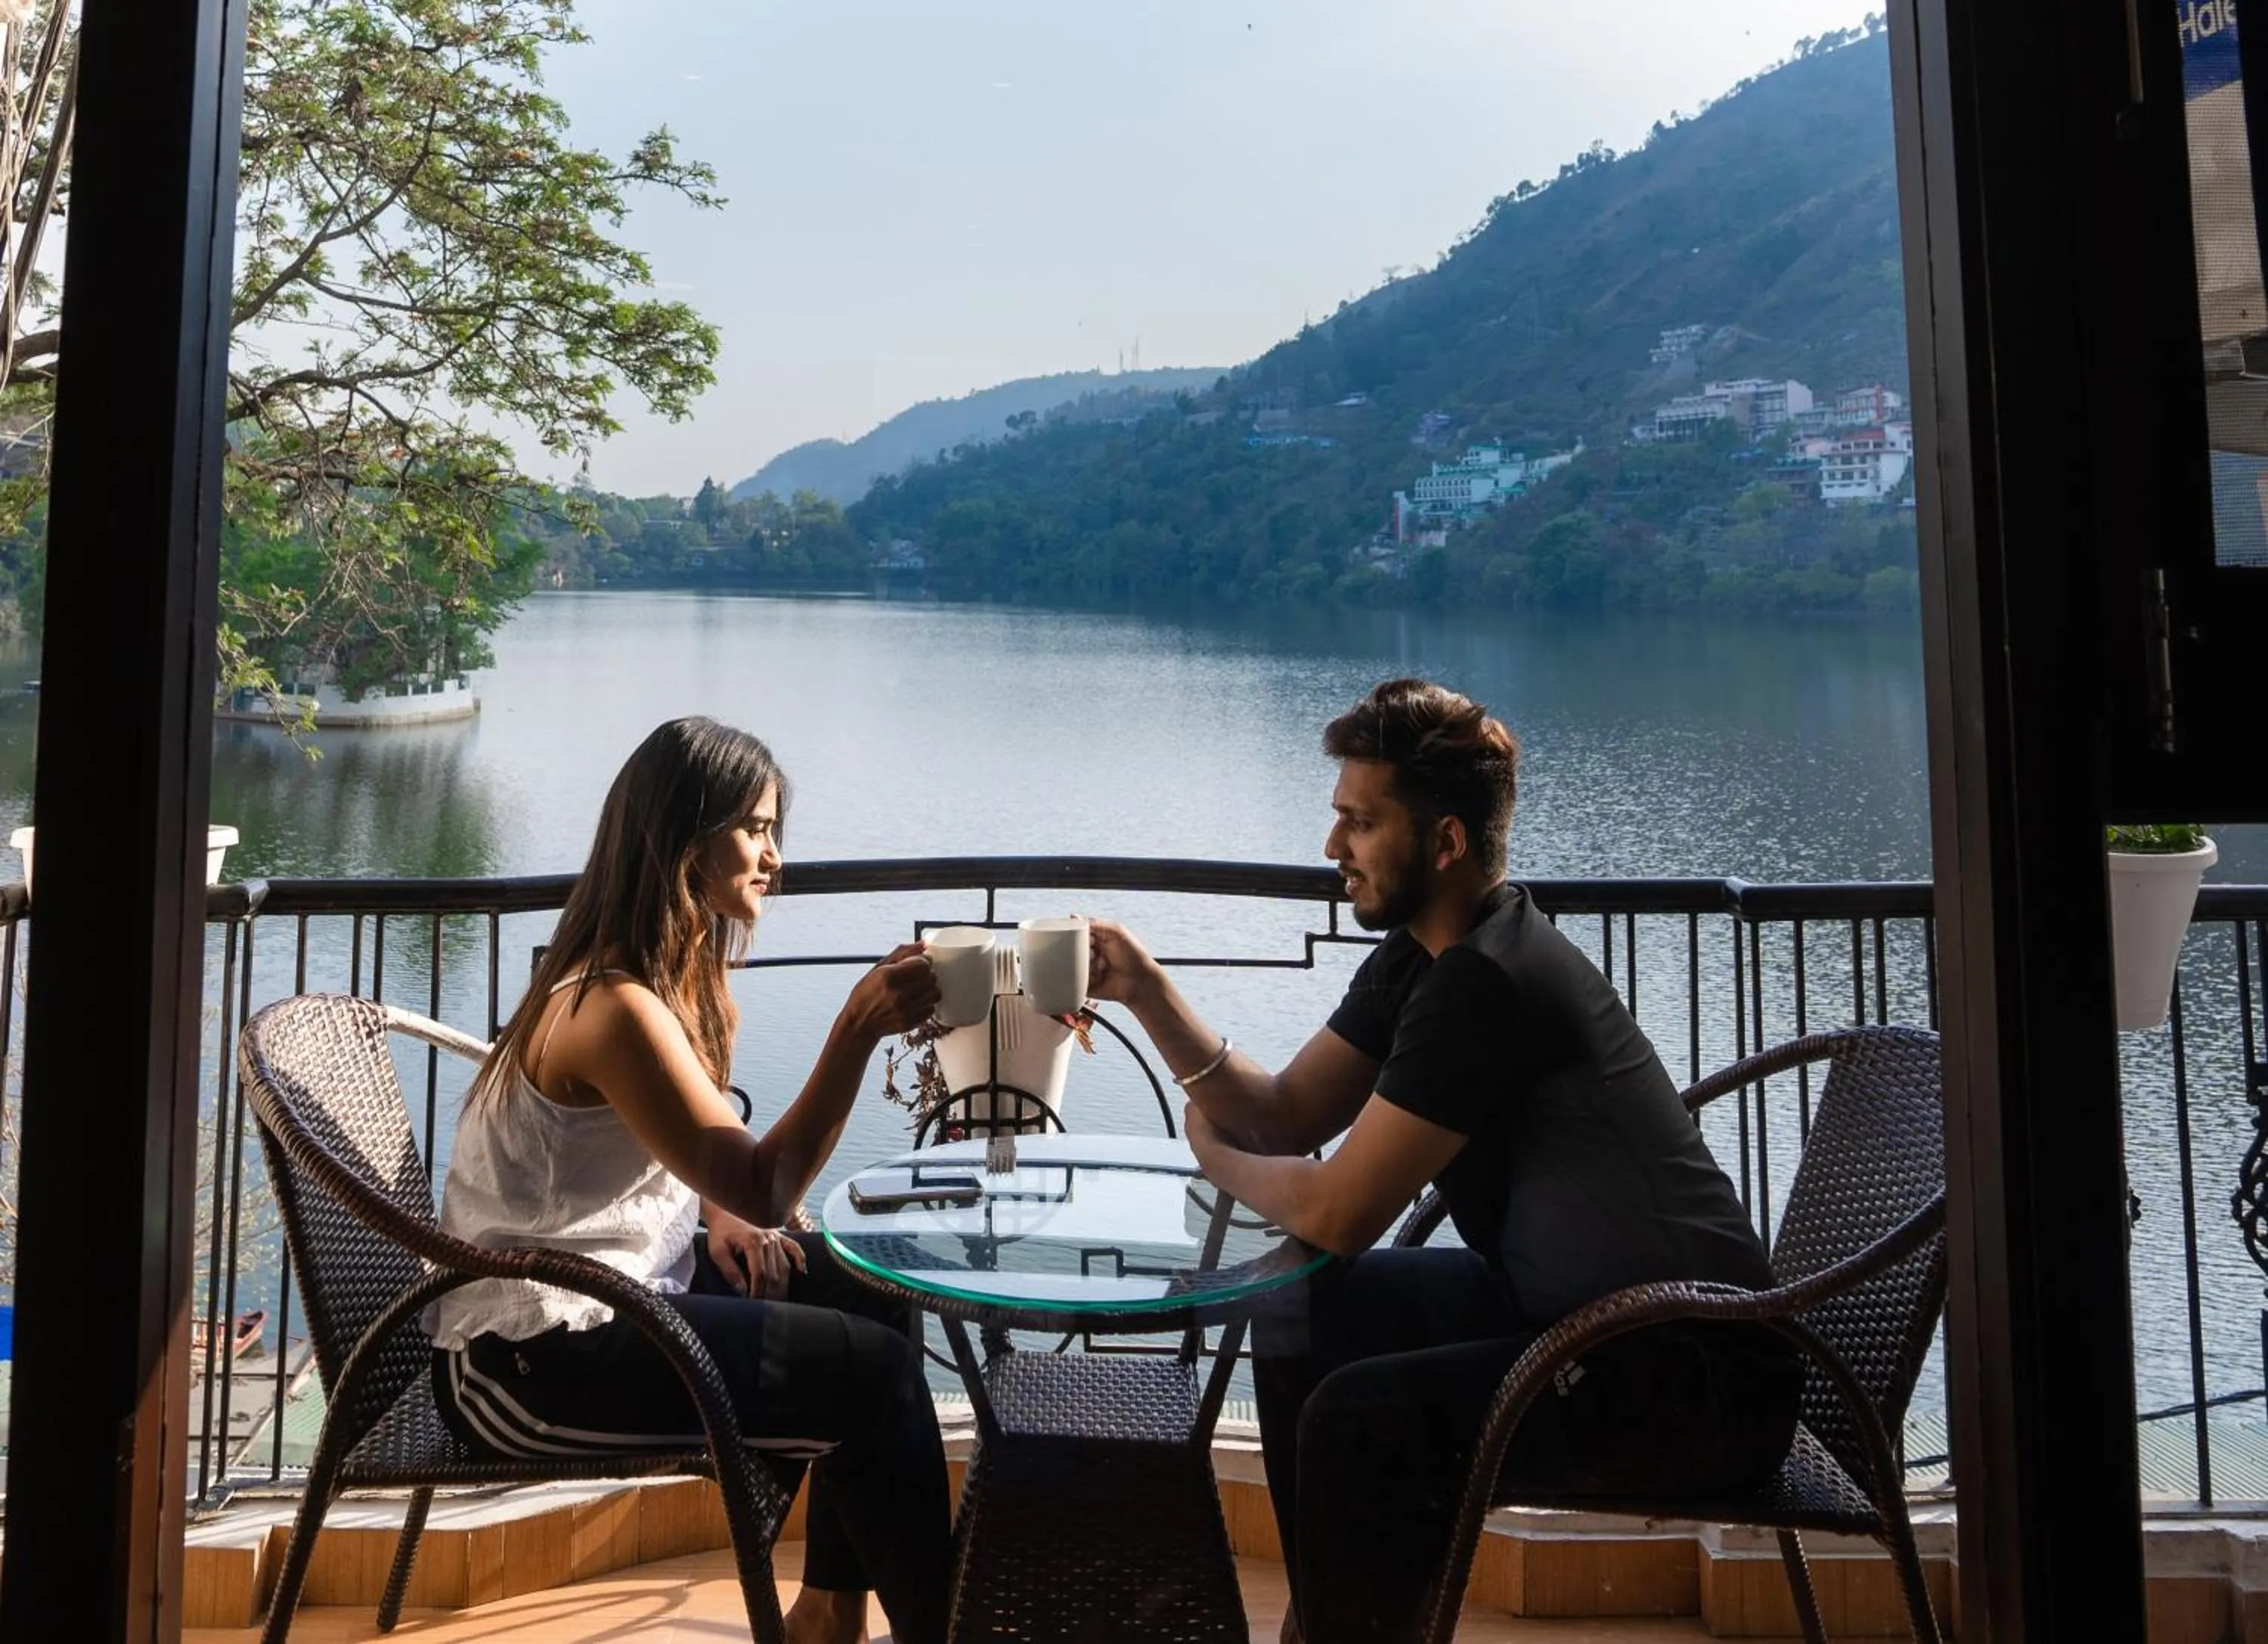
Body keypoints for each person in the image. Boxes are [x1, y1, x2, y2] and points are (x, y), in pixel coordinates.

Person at [1086, 678, 1802, 1644]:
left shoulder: (1489, 983)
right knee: (1301, 1303)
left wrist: (1213, 1155)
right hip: (1566, 1315)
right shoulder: (1422, 958)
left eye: (1360, 822)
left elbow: (1338, 1212)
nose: (1333, 847)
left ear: (1447, 840)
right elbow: (1288, 1113)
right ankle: (1334, 1622)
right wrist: (1144, 989)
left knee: (1361, 1417)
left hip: (1693, 1375)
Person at [424, 716, 950, 1644]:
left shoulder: (661, 976)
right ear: (685, 838)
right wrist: (856, 1027)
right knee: (876, 1377)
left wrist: (719, 1209)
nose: (774, 857)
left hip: (616, 1295)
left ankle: (828, 1613)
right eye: (756, 828)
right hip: (528, 1362)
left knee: (876, 1287)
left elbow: (707, 1162)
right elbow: (767, 1185)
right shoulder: (612, 1003)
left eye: (775, 830)